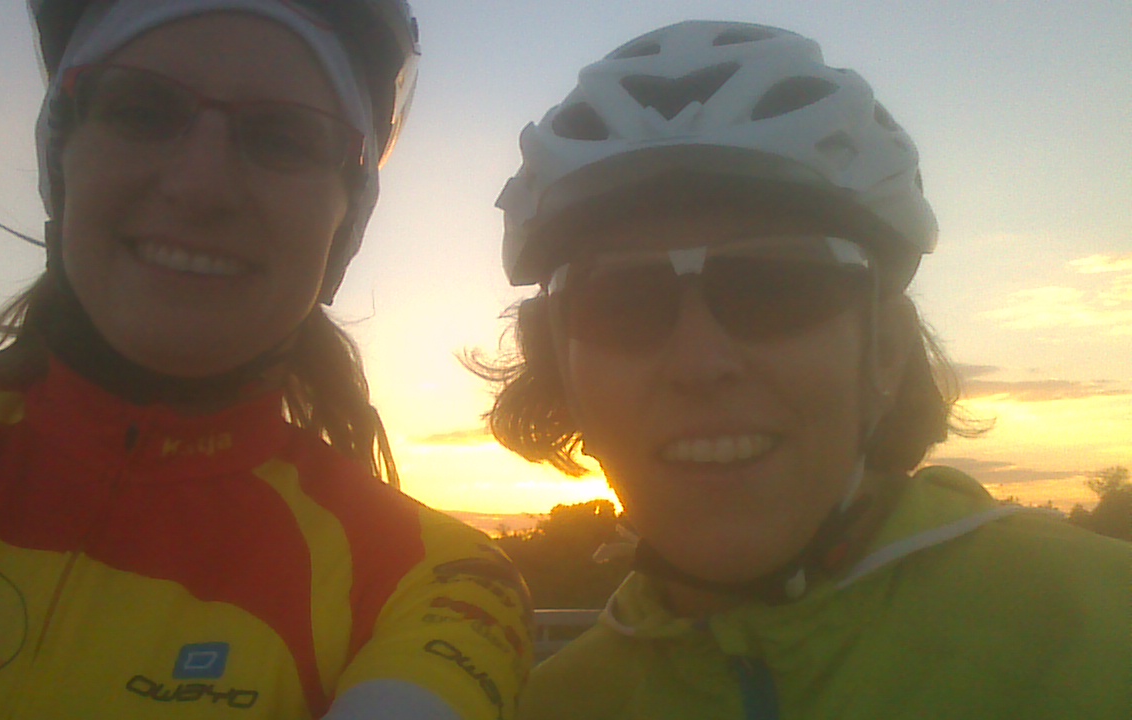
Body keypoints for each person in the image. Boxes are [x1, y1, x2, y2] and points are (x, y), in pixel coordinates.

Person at [0, 2, 530, 718]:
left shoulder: (431, 580)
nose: (199, 186)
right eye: (141, 112)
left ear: (346, 220)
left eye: (282, 137)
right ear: (61, 160)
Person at [473, 20, 1131, 719]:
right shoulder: (552, 704)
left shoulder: (1106, 624)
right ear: (559, 366)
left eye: (774, 288)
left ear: (884, 348)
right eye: (622, 303)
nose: (699, 363)